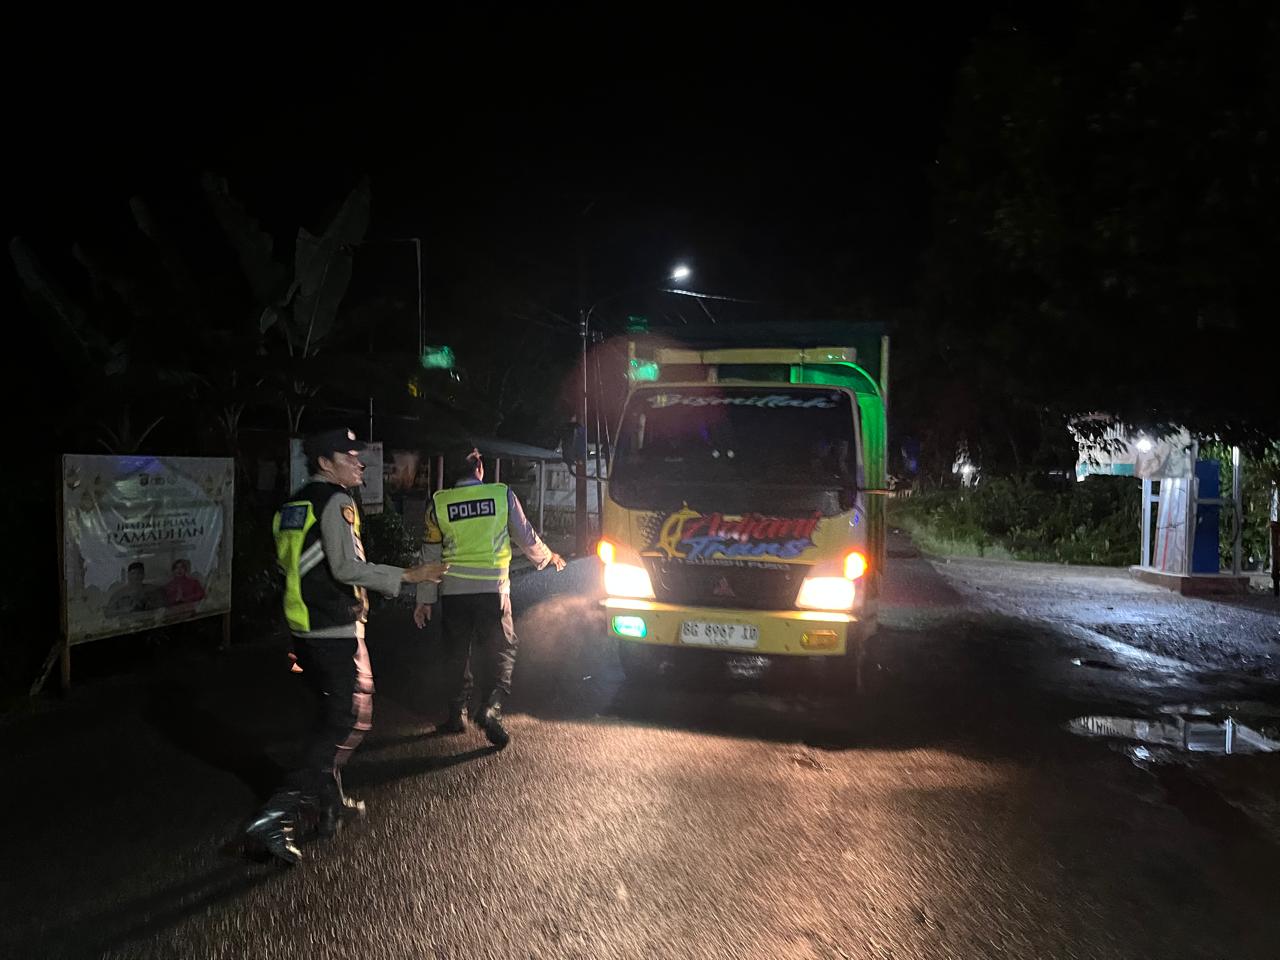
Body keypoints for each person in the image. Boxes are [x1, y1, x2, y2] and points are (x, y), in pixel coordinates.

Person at [244, 427, 447, 865]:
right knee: (347, 720)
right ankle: (275, 816)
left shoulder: (294, 505)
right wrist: (407, 576)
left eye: (358, 455)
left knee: (332, 716)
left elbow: (286, 563)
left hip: (304, 626)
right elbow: (346, 567)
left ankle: (330, 806)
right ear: (325, 463)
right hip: (334, 627)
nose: (359, 462)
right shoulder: (337, 502)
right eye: (348, 456)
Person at [415, 447, 566, 749]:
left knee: (456, 653)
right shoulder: (501, 495)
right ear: (479, 467)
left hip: (454, 592)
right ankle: (490, 708)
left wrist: (424, 599)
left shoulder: (439, 503)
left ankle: (456, 715)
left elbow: (429, 554)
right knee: (501, 650)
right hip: (493, 591)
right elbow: (525, 535)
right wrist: (548, 557)